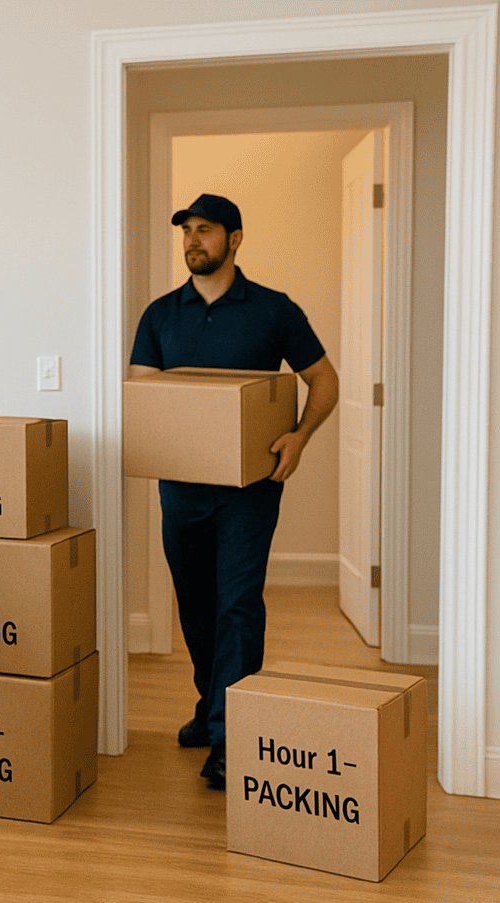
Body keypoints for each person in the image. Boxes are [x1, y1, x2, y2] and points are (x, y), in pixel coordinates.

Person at [129, 193, 340, 792]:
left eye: (206, 231)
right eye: (187, 232)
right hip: (181, 489)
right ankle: (210, 703)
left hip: (249, 490)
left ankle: (230, 734)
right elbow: (146, 400)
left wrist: (299, 438)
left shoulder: (274, 311)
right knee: (195, 604)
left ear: (235, 239)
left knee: (238, 604)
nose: (193, 240)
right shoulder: (160, 315)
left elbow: (324, 380)